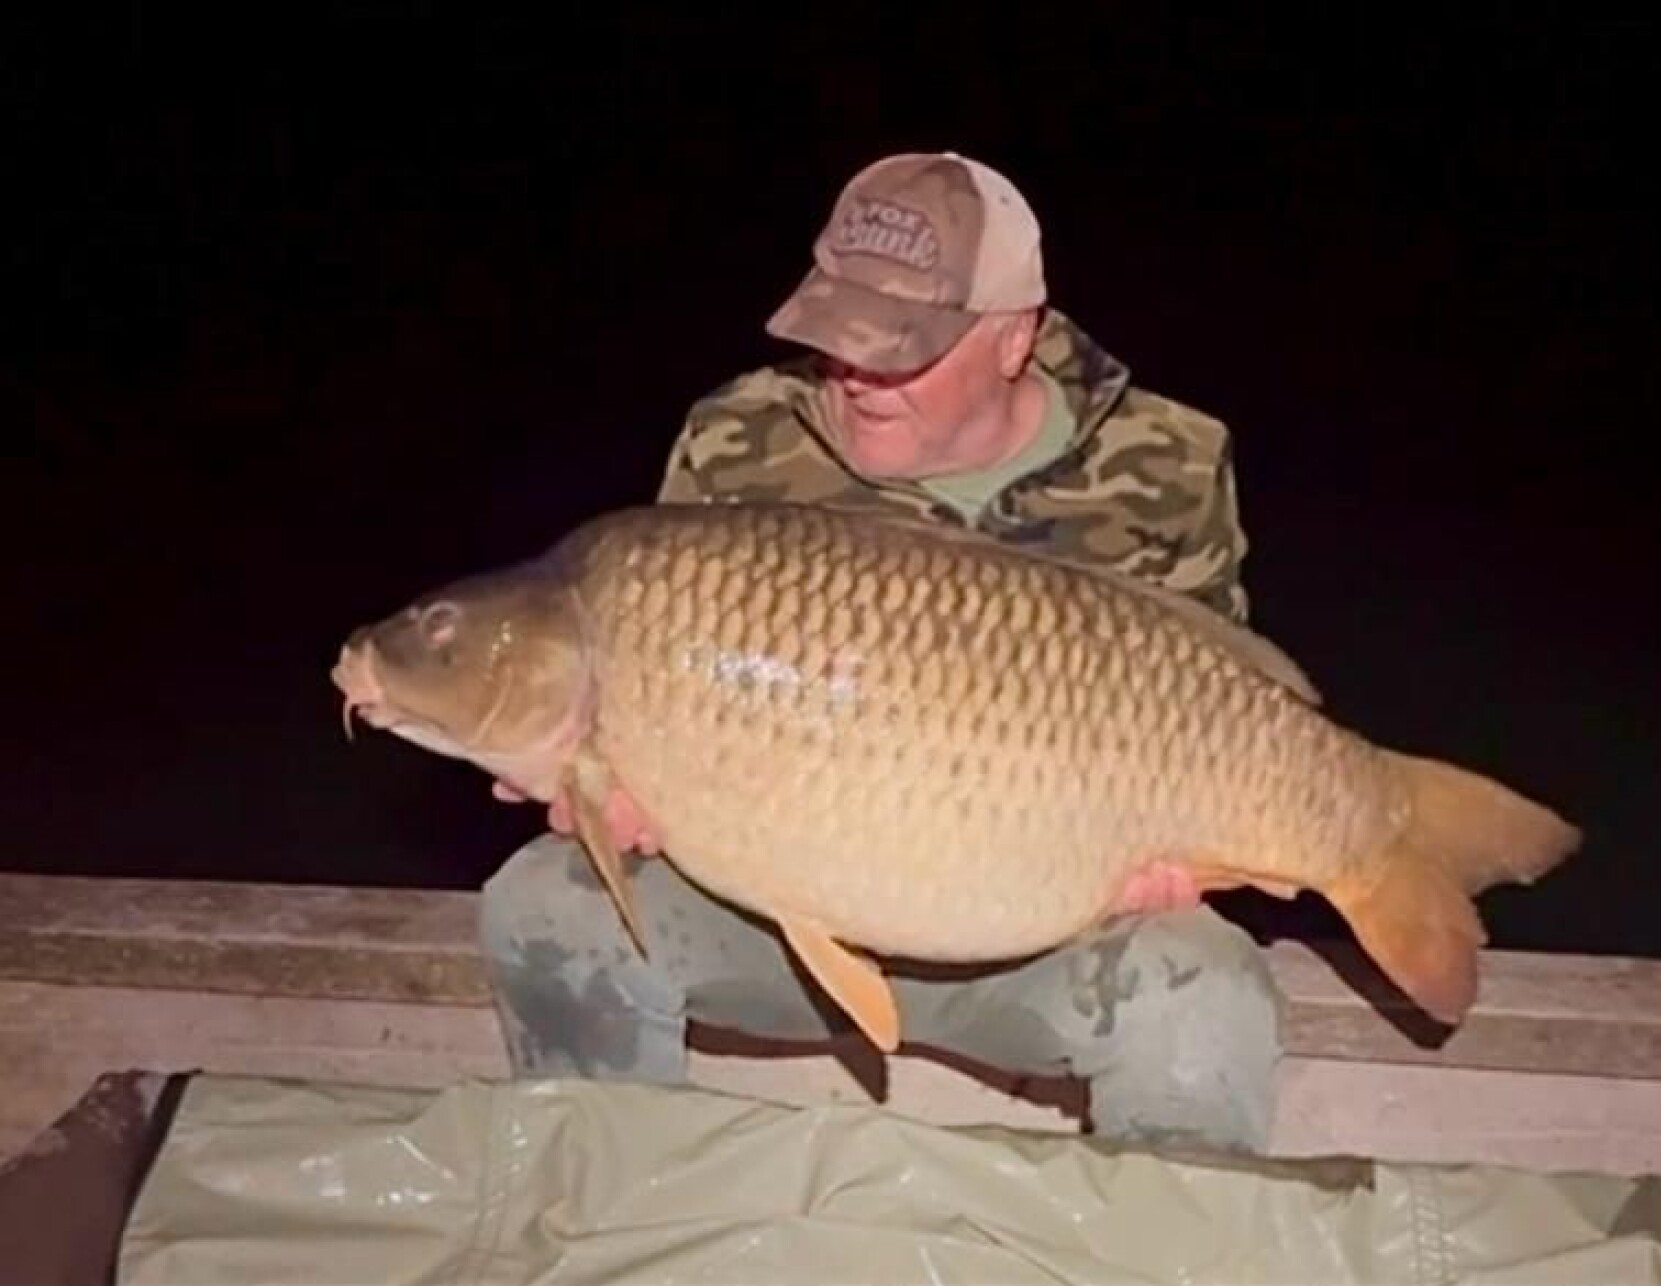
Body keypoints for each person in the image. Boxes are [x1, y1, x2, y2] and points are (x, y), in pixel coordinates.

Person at [477, 151, 1284, 1153]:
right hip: (768, 919)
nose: (854, 375)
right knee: (547, 905)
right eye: (836, 332)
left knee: (1208, 997)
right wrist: (623, 790)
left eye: (900, 347)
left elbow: (1217, 714)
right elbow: (661, 692)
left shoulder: (1163, 465)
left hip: (1047, 933)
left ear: (1014, 336)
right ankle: (611, 1207)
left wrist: (1179, 855)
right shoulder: (740, 439)